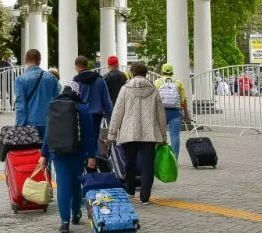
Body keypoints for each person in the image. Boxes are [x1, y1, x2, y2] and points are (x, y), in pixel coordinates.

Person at [37, 81, 97, 233]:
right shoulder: (83, 108)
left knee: (63, 185)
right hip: (78, 152)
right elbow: (90, 136)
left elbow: (49, 133)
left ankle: (64, 221)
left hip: (58, 153)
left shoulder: (53, 106)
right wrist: (91, 155)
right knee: (76, 183)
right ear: (78, 93)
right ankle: (76, 214)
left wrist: (44, 154)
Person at [108, 62, 167, 204]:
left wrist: (112, 133)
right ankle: (145, 197)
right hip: (150, 132)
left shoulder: (125, 89)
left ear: (132, 73)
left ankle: (130, 190)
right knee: (148, 165)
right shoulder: (153, 90)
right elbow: (161, 114)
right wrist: (163, 135)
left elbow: (117, 112)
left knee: (130, 162)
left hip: (129, 132)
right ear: (146, 73)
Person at [14, 48, 60, 140]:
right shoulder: (52, 78)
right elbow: (57, 101)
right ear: (39, 60)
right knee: (47, 152)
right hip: (49, 121)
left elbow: (20, 105)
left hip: (30, 123)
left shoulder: (21, 79)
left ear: (26, 60)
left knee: (31, 152)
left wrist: (19, 126)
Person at [154, 63, 190, 156]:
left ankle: (159, 157)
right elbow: (183, 100)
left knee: (159, 135)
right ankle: (174, 159)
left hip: (161, 111)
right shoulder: (178, 83)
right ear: (172, 72)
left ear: (162, 71)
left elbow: (154, 99)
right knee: (175, 136)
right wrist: (186, 114)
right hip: (176, 112)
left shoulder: (157, 82)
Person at [74, 55, 113, 127]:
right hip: (97, 114)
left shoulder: (76, 81)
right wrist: (109, 116)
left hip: (82, 114)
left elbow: (73, 99)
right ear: (87, 65)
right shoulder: (99, 79)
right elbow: (106, 99)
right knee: (95, 136)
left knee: (84, 136)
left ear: (77, 66)